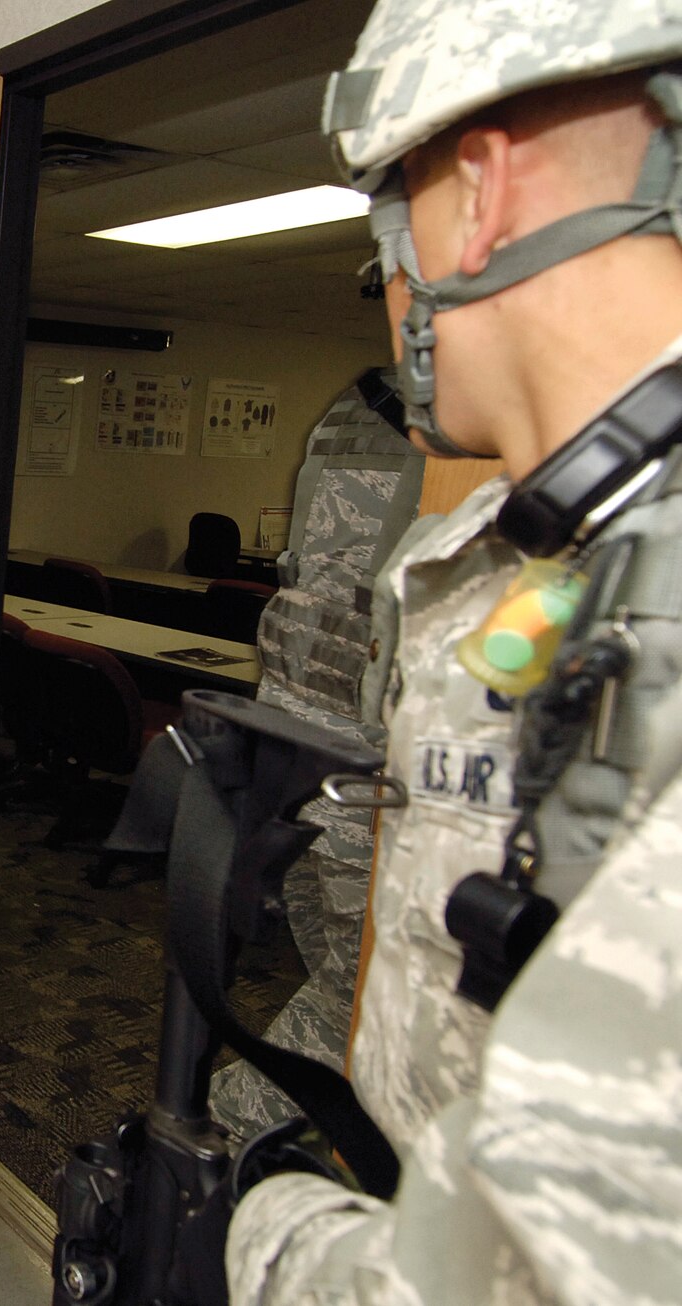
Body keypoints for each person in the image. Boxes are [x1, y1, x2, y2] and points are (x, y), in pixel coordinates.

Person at [226, 4, 682, 1302]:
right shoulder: (502, 546)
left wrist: (251, 1230)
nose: (393, 303)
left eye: (392, 235)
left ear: (474, 194)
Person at [208, 367, 422, 1140]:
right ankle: (227, 1128)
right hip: (359, 773)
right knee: (354, 996)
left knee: (338, 976)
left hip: (293, 749)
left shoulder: (356, 407)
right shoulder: (456, 437)